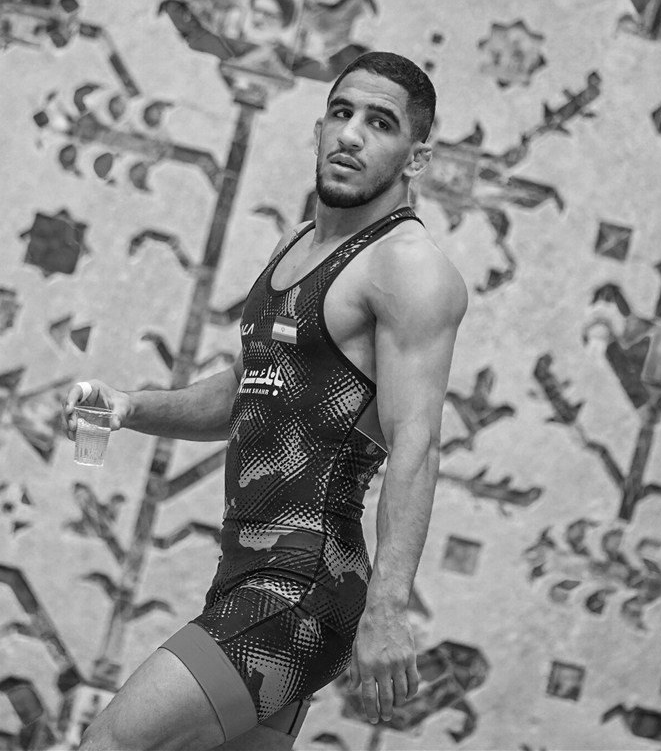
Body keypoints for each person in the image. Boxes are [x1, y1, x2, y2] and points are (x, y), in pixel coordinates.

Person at [63, 51, 467, 751]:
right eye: (341, 113)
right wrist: (131, 406)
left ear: (416, 159)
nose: (351, 134)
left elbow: (417, 440)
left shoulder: (407, 266)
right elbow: (243, 393)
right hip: (249, 577)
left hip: (299, 588)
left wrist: (389, 609)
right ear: (318, 127)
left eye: (380, 123)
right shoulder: (299, 244)